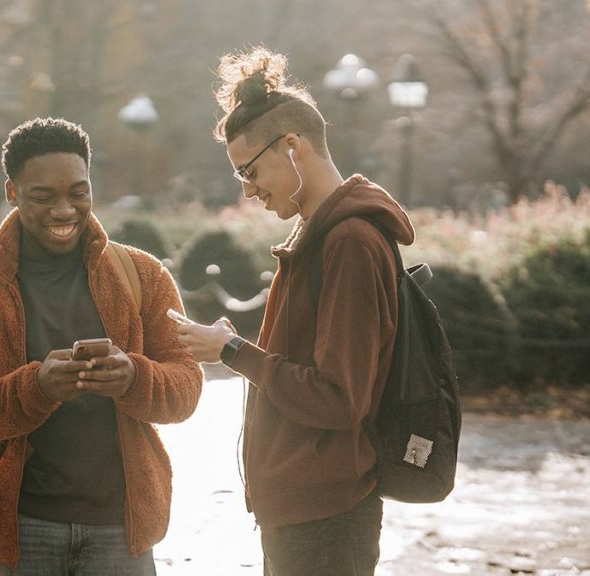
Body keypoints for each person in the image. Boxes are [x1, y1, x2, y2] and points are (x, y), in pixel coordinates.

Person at [176, 46, 416, 576]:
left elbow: (338, 399)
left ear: (293, 146)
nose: (247, 189)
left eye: (250, 170)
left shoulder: (349, 241)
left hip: (325, 515)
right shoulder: (319, 234)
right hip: (305, 509)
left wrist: (232, 351)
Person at [0, 117, 203, 575]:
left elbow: (187, 388)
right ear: (11, 193)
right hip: (15, 529)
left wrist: (134, 376)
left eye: (78, 193)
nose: (64, 210)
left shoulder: (142, 274)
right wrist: (35, 387)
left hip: (122, 527)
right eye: (43, 196)